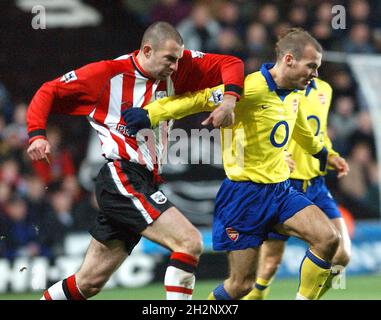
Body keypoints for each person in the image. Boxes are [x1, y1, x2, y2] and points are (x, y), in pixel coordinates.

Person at [123, 28, 347, 300]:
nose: (315, 74)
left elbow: (303, 133)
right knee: (241, 286)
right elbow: (196, 100)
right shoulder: (248, 88)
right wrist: (149, 115)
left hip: (280, 191)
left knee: (328, 239)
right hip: (244, 197)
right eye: (312, 66)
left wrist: (324, 155)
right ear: (289, 60)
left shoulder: (296, 93)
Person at [26, 21, 244, 300]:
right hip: (122, 175)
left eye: (178, 59)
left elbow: (232, 63)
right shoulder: (106, 74)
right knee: (189, 241)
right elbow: (49, 90)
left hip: (144, 181)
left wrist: (228, 100)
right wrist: (36, 135)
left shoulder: (180, 65)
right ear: (147, 50)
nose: (175, 67)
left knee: (89, 282)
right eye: (169, 59)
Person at [243, 77, 351, 300]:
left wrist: (330, 155)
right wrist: (276, 155)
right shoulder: (277, 89)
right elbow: (259, 131)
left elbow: (318, 133)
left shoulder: (325, 88)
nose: (314, 70)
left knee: (342, 255)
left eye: (316, 64)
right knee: (270, 261)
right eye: (310, 63)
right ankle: (256, 296)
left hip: (316, 184)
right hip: (286, 184)